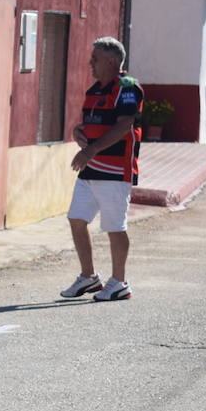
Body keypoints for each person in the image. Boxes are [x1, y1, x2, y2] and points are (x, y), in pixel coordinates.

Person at [60, 37, 143, 302]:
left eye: (95, 58)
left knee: (114, 226)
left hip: (114, 170)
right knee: (76, 219)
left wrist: (90, 150)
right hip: (90, 169)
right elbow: (90, 124)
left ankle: (119, 282)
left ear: (111, 61)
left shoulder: (128, 87)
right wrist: (77, 131)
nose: (90, 64)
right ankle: (89, 277)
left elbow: (125, 125)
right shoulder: (95, 90)